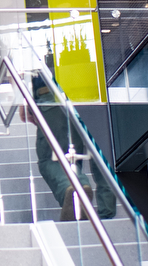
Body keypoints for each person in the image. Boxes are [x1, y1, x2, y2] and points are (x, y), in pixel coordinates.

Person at [21, 54, 116, 222]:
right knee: (99, 152)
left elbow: (22, 63)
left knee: (53, 157)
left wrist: (24, 100)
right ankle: (107, 213)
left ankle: (74, 187)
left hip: (51, 92)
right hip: (91, 87)